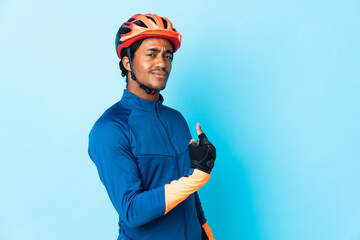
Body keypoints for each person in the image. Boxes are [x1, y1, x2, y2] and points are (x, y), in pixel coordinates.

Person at [88, 13, 216, 240]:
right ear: (128, 63)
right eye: (151, 54)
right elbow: (132, 211)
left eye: (167, 56)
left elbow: (189, 192)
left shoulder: (176, 120)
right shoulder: (109, 129)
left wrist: (206, 233)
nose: (162, 63)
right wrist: (197, 176)